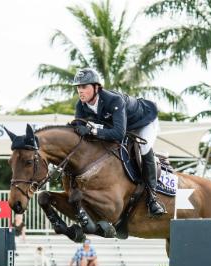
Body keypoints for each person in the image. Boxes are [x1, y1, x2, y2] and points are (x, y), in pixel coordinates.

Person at [71, 68, 166, 217]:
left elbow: (118, 133)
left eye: (84, 87)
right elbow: (78, 128)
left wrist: (92, 131)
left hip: (144, 121)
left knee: (143, 146)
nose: (80, 91)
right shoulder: (81, 106)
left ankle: (152, 197)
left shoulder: (113, 100)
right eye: (78, 87)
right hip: (124, 124)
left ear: (96, 87)